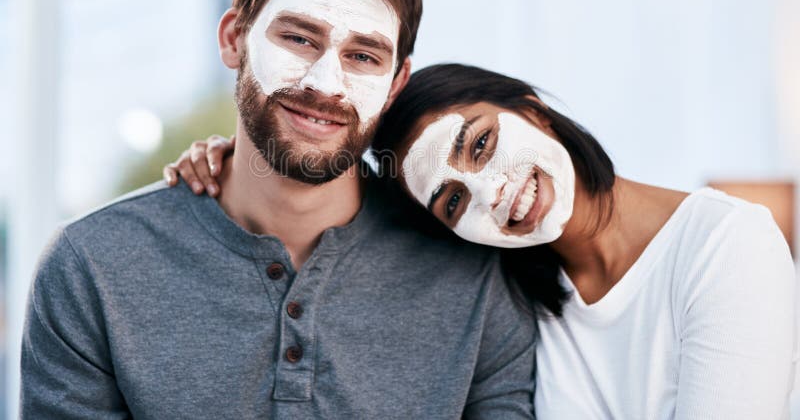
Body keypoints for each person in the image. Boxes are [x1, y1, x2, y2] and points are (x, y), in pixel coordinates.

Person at [21, 0, 537, 419]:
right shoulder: (92, 267)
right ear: (233, 39)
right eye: (298, 38)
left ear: (396, 84)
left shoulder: (475, 272)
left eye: (363, 57)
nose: (325, 85)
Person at [176, 63, 798, 419]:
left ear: (534, 111)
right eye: (452, 201)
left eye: (478, 143)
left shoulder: (727, 245)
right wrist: (236, 166)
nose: (491, 193)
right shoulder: (517, 294)